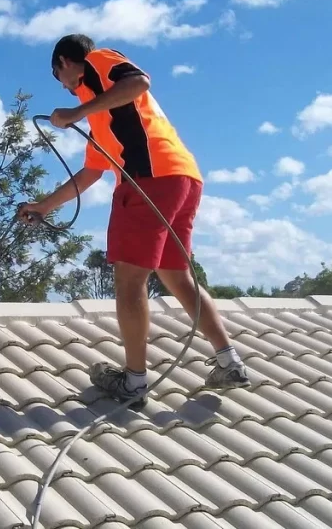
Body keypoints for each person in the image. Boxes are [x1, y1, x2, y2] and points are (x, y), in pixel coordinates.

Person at [17, 34, 251, 409]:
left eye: (56, 75)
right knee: (176, 275)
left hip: (147, 180)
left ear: (64, 62)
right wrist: (45, 206)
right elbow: (91, 173)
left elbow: (139, 80)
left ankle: (134, 382)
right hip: (182, 179)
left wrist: (75, 113)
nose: (61, 84)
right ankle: (229, 362)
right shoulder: (102, 115)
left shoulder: (97, 61)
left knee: (129, 280)